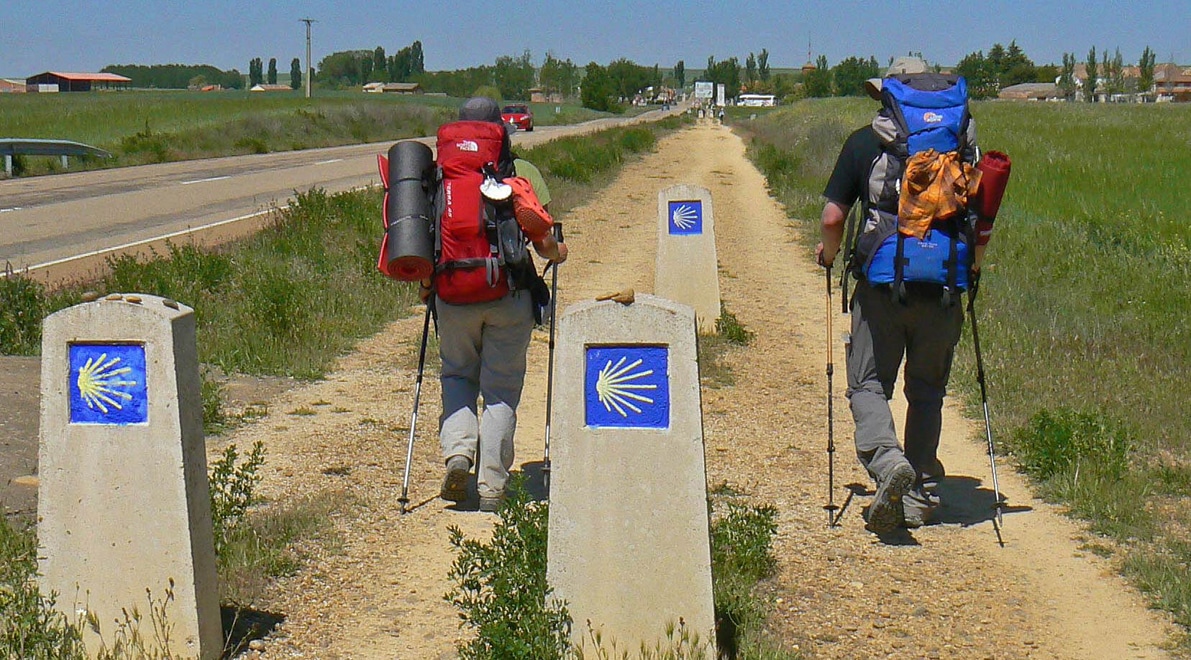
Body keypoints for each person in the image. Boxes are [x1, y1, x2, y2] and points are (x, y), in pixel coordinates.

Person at [815, 57, 981, 533]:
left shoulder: (865, 143)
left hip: (883, 285)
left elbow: (832, 219)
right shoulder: (960, 148)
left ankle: (888, 465)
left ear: (887, 96)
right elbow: (980, 218)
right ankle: (923, 489)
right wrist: (973, 269)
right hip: (946, 282)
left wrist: (827, 257)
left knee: (867, 384)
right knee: (927, 390)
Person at [429, 96, 568, 512]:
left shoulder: (441, 174)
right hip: (508, 296)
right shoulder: (520, 173)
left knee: (456, 376)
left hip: (452, 295)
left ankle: (458, 453)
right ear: (500, 131)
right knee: (500, 391)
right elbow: (543, 242)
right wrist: (558, 252)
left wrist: (426, 287)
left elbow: (423, 238)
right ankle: (492, 487)